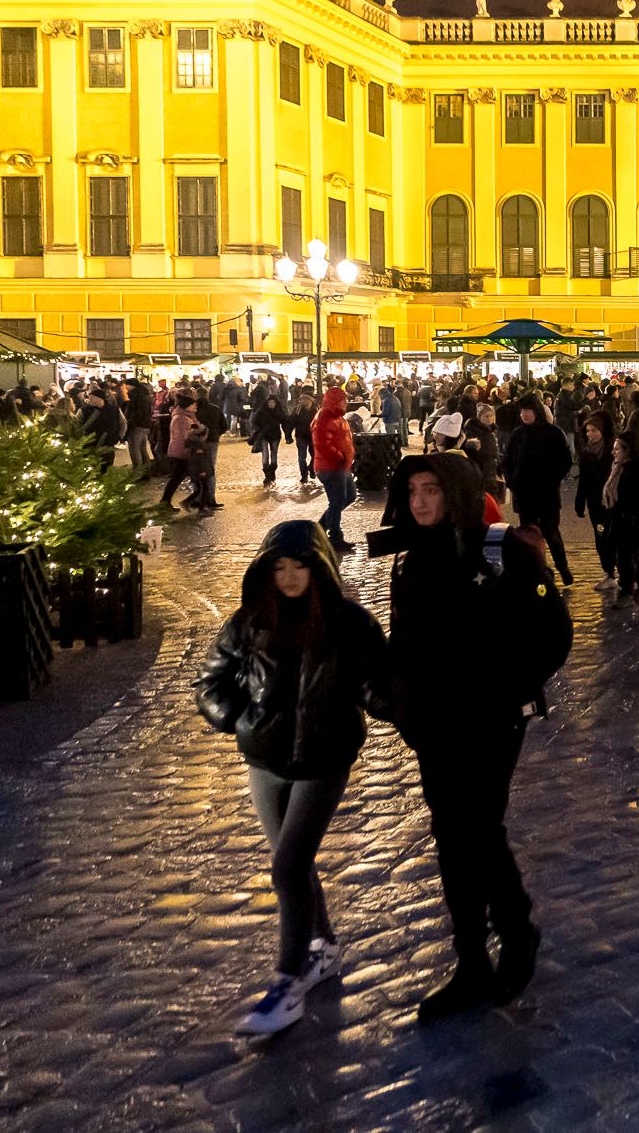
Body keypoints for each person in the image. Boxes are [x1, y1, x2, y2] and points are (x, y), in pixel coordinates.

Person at [374, 452, 573, 1019]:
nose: (419, 502)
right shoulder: (410, 562)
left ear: (455, 493)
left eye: (431, 490)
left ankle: (515, 932)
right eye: (412, 491)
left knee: (477, 828)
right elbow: (404, 645)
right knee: (451, 837)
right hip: (434, 727)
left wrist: (504, 689)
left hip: (489, 724)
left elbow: (553, 636)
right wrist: (403, 707)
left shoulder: (500, 552)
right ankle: (470, 961)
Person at [196, 520, 385, 1035]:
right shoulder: (250, 620)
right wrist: (237, 718)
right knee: (292, 867)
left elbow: (375, 685)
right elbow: (210, 680)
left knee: (288, 866)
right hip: (265, 760)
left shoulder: (348, 623)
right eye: (278, 567)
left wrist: (409, 707)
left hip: (323, 759)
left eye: (298, 566)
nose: (289, 577)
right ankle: (324, 948)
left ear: (318, 566)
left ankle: (288, 984)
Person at [504, 395, 575, 587]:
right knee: (529, 535)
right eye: (521, 411)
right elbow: (508, 460)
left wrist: (552, 479)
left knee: (551, 533)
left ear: (537, 411)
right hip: (524, 494)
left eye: (528, 410)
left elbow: (565, 460)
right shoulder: (518, 435)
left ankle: (563, 569)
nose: (524, 415)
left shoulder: (553, 433)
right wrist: (511, 481)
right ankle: (537, 572)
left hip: (547, 495)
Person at [600, 433, 639, 605]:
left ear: (629, 450)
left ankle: (627, 590)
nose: (614, 452)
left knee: (625, 556)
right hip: (618, 518)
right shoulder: (617, 467)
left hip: (633, 520)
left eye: (617, 449)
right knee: (628, 555)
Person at [308, 386, 357, 552]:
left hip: (342, 466)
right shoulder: (324, 417)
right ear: (336, 401)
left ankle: (318, 529)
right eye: (343, 400)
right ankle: (334, 537)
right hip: (331, 467)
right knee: (337, 501)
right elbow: (322, 444)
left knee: (349, 496)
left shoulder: (337, 416)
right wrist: (340, 457)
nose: (346, 402)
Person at [573, 411, 617, 590]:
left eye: (594, 431)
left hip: (613, 502)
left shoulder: (613, 450)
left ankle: (624, 573)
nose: (590, 434)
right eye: (588, 431)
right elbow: (583, 480)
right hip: (594, 502)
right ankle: (609, 573)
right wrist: (579, 501)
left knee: (615, 537)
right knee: (600, 538)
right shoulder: (585, 453)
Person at [250, 396, 286, 486]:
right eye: (270, 402)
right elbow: (254, 422)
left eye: (273, 402)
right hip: (264, 436)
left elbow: (285, 422)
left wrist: (288, 435)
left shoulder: (279, 411)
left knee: (274, 457)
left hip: (275, 436)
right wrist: (259, 429)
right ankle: (267, 475)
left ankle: (272, 471)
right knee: (265, 457)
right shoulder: (261, 411)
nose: (272, 404)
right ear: (267, 403)